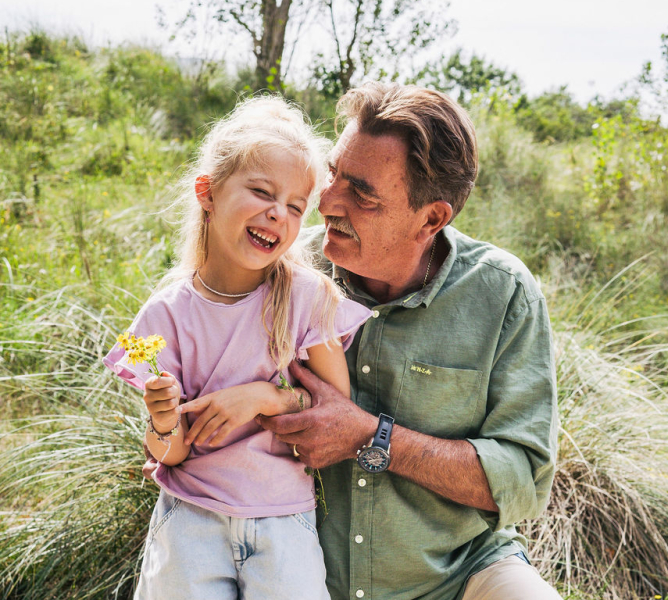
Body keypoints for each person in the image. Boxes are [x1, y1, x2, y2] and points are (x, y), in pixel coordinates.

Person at [259, 83, 562, 600]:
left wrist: (368, 436)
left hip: (461, 576)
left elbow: (523, 479)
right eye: (333, 174)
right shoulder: (286, 270)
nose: (326, 202)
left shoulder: (504, 293)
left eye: (362, 193)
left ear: (432, 218)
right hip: (300, 570)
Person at [104, 96, 372, 599]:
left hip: (283, 524)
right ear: (207, 192)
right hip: (190, 523)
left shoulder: (307, 298)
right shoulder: (164, 316)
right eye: (261, 192)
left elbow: (337, 412)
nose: (278, 214)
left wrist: (266, 398)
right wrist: (163, 422)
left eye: (295, 206)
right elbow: (171, 452)